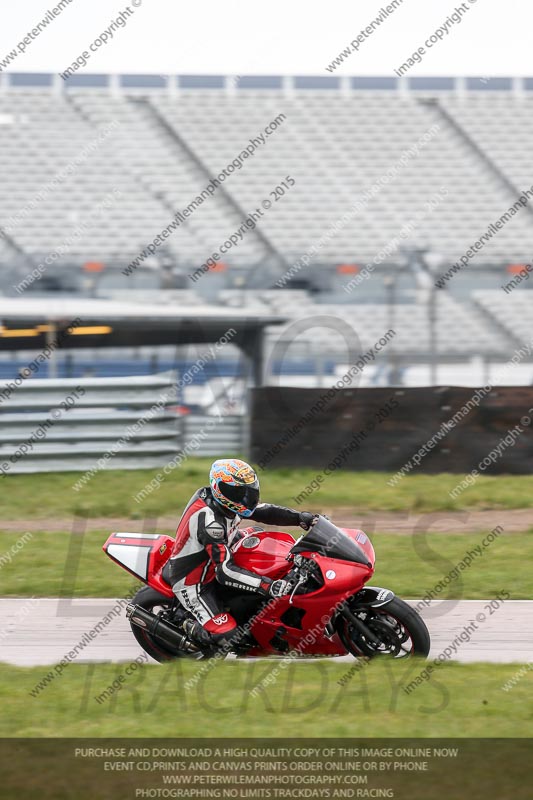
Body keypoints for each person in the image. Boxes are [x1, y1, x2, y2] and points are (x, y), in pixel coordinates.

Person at [167, 458, 316, 648]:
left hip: (224, 545)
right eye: (238, 492)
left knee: (262, 539)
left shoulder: (227, 502)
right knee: (229, 637)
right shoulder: (211, 522)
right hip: (195, 580)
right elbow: (224, 571)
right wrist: (268, 586)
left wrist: (301, 518)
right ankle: (186, 624)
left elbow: (264, 512)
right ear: (220, 489)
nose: (245, 497)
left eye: (248, 491)